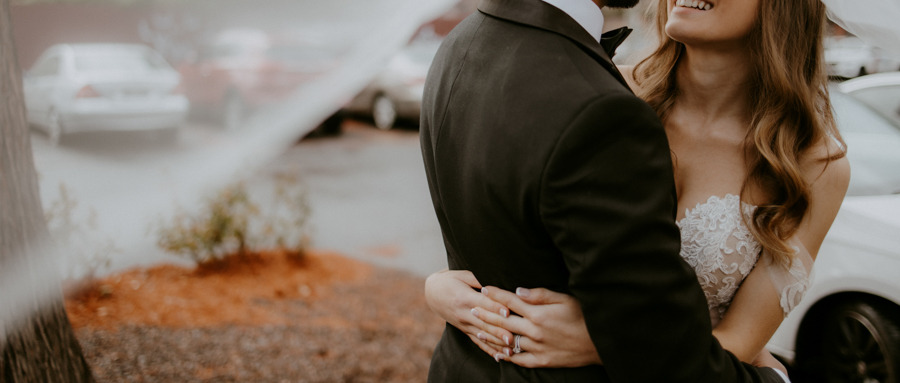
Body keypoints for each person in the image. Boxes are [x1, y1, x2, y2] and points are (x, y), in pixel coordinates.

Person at [420, 0, 851, 381]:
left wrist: (605, 345)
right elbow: (501, 219)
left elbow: (739, 340)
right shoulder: (603, 95)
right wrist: (440, 286)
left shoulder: (812, 166)